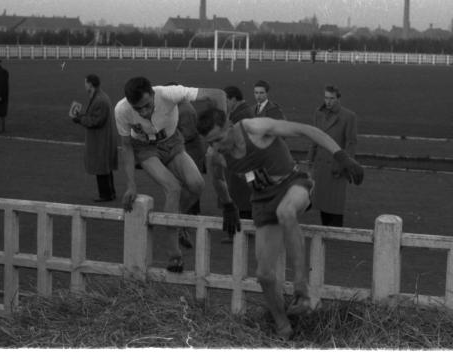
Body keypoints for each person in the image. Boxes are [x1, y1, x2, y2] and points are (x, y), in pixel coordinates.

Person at [197, 108, 364, 339]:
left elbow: (306, 130)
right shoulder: (215, 155)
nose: (216, 147)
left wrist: (341, 155)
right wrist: (227, 205)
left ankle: (300, 286)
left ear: (229, 126)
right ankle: (283, 326)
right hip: (263, 203)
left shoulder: (256, 128)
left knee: (286, 211)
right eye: (210, 142)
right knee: (264, 275)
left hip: (293, 185)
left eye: (218, 139)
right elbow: (216, 179)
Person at [115, 77, 227, 272]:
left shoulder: (169, 93)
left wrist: (222, 134)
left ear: (153, 94)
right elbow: (126, 147)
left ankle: (179, 219)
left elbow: (218, 94)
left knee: (197, 184)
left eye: (147, 106)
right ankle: (174, 255)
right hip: (145, 148)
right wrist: (131, 184)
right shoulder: (121, 109)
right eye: (138, 109)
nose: (143, 112)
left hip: (173, 142)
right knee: (173, 188)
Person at [307, 85, 358, 227]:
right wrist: (310, 161)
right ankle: (327, 230)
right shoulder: (318, 113)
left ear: (338, 98)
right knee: (323, 203)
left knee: (335, 205)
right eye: (326, 98)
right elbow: (314, 138)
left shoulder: (348, 116)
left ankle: (335, 232)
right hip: (321, 165)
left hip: (337, 167)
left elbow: (351, 143)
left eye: (332, 98)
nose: (328, 101)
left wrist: (345, 164)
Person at [164, 81, 205, 249]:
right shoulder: (181, 107)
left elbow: (187, 134)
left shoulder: (185, 110)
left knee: (186, 189)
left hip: (189, 151)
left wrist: (169, 136)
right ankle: (184, 224)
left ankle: (183, 226)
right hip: (187, 150)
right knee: (187, 189)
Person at [72, 74, 118, 203]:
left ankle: (105, 195)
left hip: (100, 139)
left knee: (101, 167)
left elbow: (96, 121)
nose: (84, 85)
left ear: (90, 84)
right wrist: (81, 116)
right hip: (102, 138)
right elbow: (94, 116)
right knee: (105, 167)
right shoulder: (99, 97)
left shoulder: (100, 99)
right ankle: (110, 193)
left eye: (85, 83)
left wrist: (80, 119)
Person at [221, 86, 254, 220]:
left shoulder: (241, 115)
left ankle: (240, 233)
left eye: (226, 100)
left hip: (240, 163)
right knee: (243, 197)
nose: (225, 104)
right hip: (243, 163)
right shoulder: (243, 111)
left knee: (240, 198)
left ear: (233, 99)